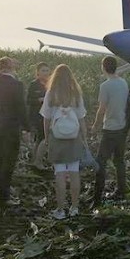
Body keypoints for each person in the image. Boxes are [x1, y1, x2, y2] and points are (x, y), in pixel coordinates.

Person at [40, 64, 87, 220]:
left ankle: (61, 210)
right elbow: (82, 118)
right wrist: (85, 137)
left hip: (57, 137)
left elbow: (46, 119)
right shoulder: (76, 94)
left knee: (59, 174)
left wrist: (47, 137)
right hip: (74, 137)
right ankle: (74, 207)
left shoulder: (51, 93)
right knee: (74, 173)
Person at [0, 57, 29, 205]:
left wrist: (3, 66)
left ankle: (0, 188)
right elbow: (21, 108)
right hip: (11, 126)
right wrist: (26, 128)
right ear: (11, 67)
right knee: (9, 161)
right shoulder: (17, 84)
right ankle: (4, 195)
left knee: (0, 158)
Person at [92, 56, 130, 205]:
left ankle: (97, 196)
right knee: (119, 160)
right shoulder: (123, 82)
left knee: (101, 162)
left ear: (103, 67)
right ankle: (121, 189)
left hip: (110, 128)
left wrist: (95, 125)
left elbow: (102, 109)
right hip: (122, 126)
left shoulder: (105, 86)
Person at [26, 62, 51, 146]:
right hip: (36, 117)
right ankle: (36, 158)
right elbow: (28, 100)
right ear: (38, 73)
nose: (46, 73)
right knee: (38, 140)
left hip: (48, 117)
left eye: (47, 70)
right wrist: (39, 100)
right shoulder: (33, 85)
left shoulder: (51, 84)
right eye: (43, 71)